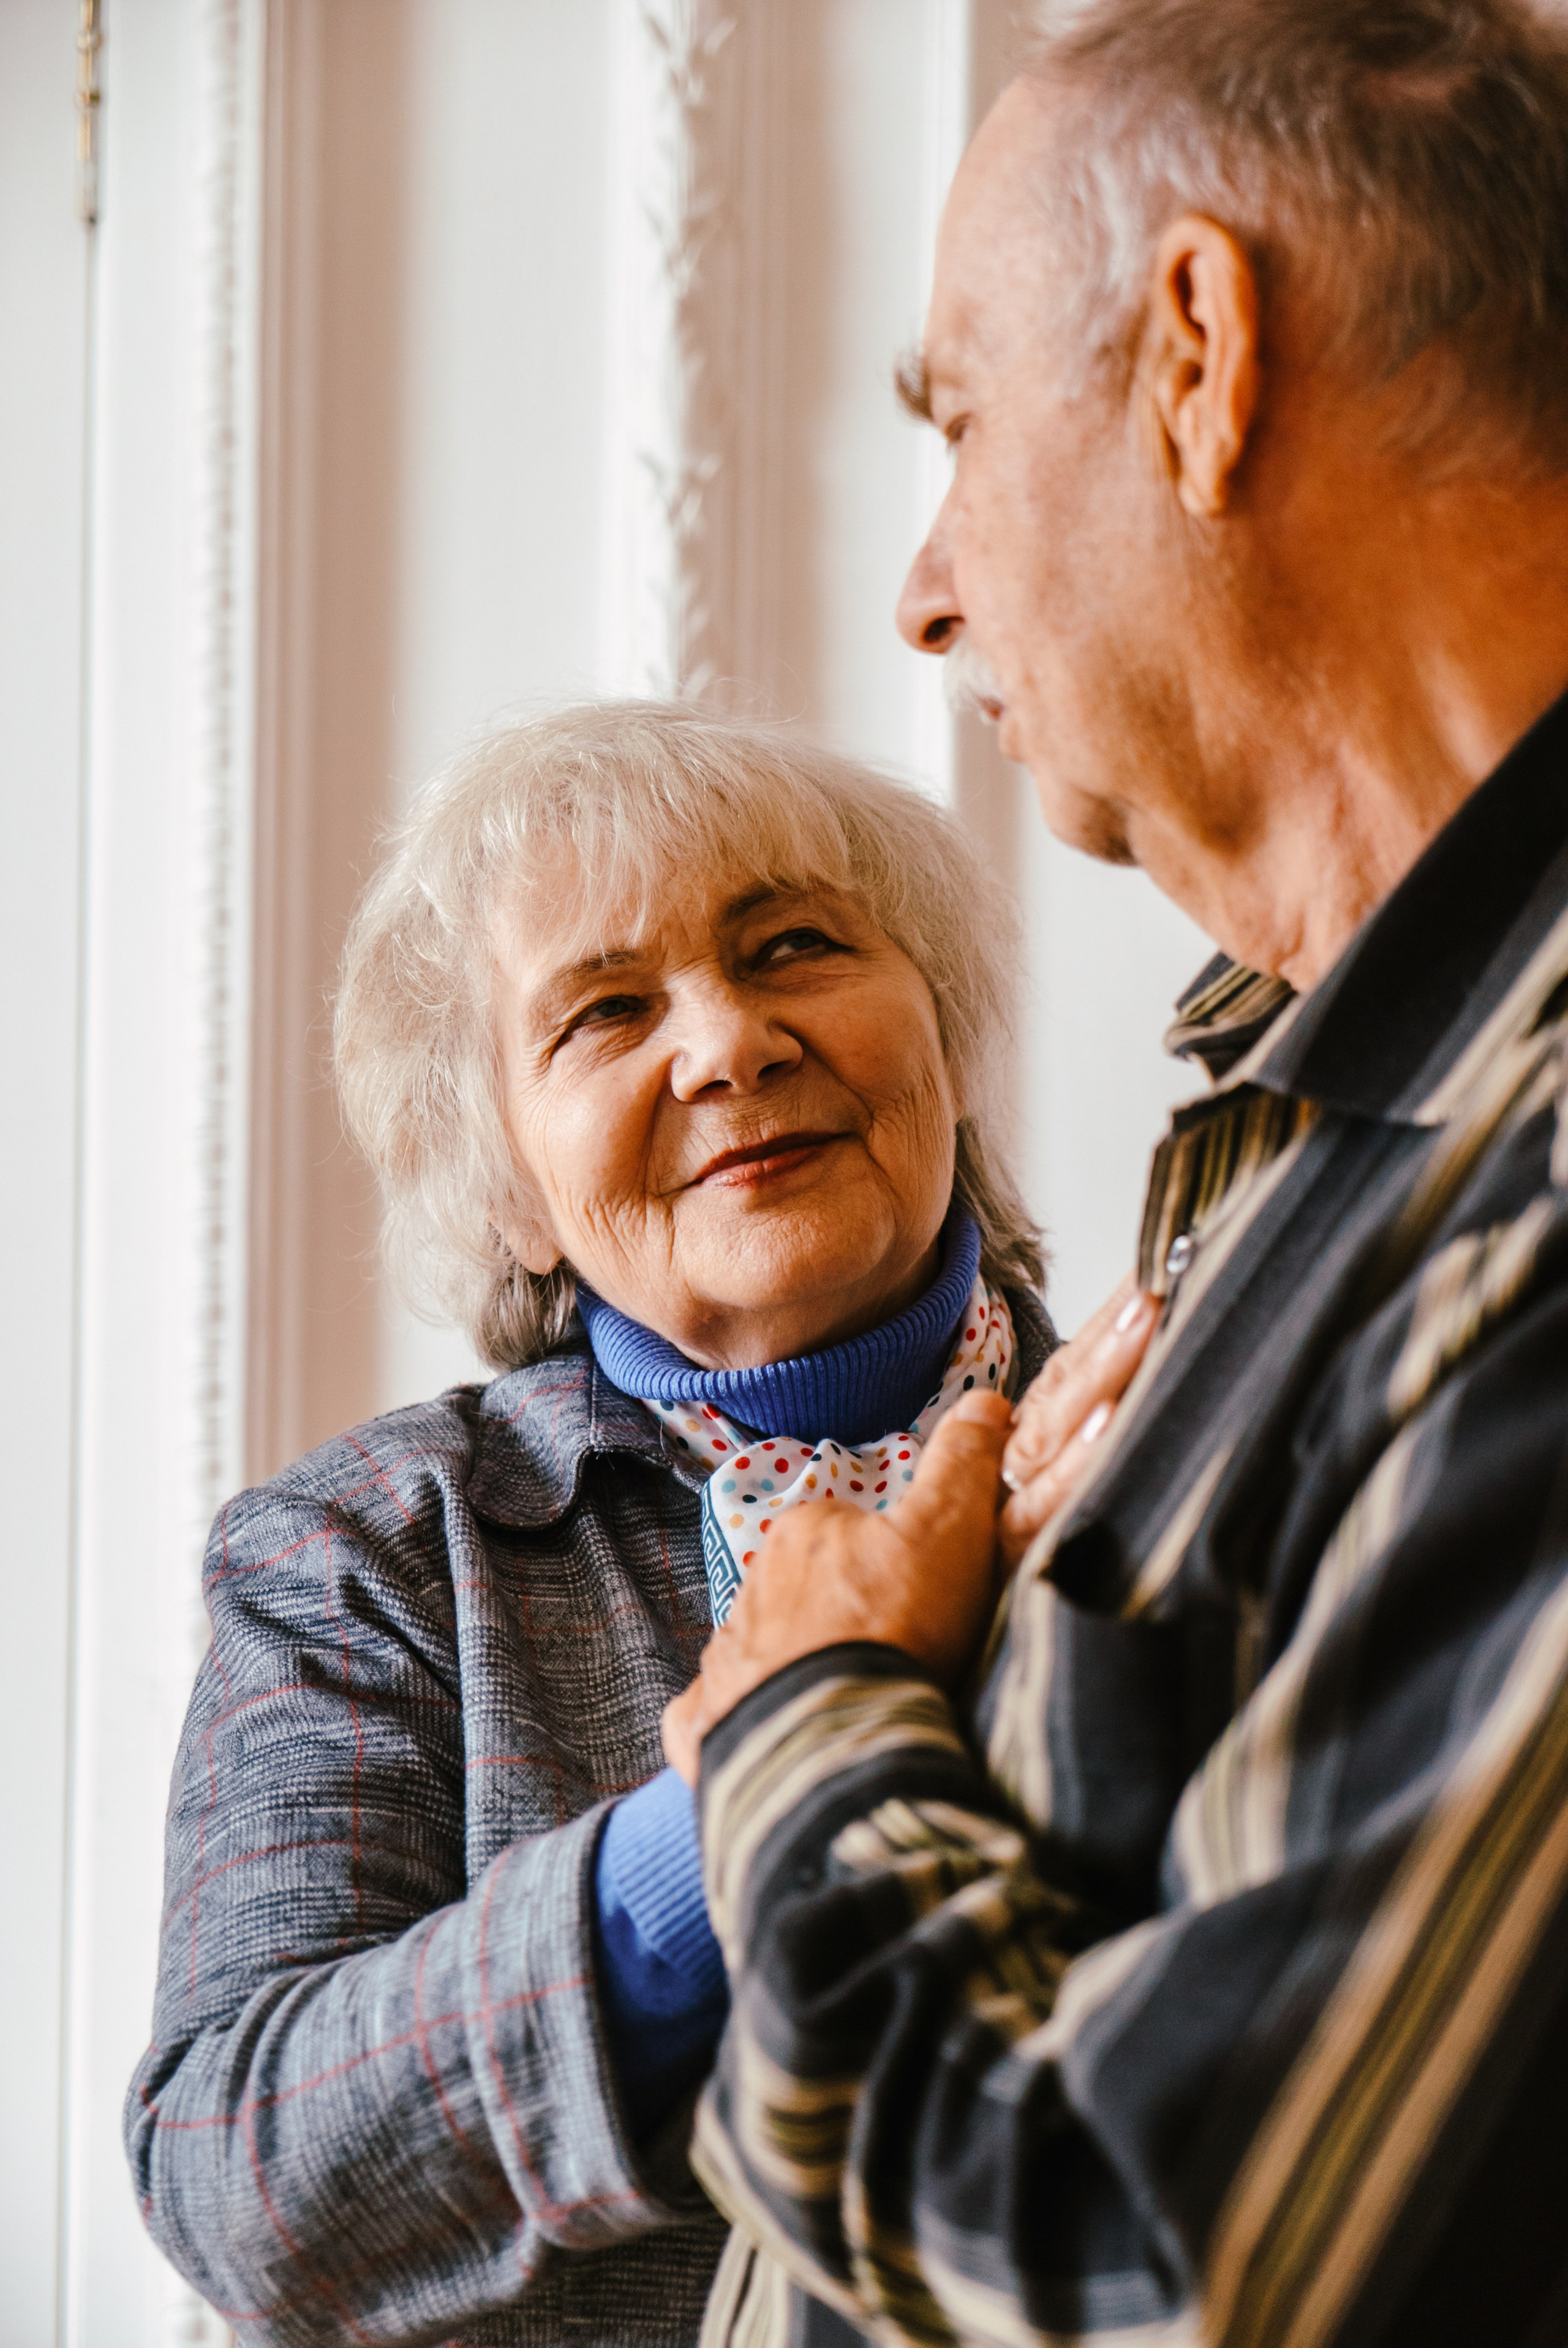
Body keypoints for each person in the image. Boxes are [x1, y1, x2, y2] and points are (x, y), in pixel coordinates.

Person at [663, 4, 1568, 2343]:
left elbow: (1169, 2269)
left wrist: (806, 1723)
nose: (925, 590)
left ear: (1196, 351)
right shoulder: (1314, 1130)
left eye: (957, 424)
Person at [124, 704, 1055, 2344]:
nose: (728, 1044)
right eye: (608, 1010)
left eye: (797, 945)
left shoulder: (1175, 1411)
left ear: (949, 1038)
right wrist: (737, 1810)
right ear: (504, 1186)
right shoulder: (371, 1550)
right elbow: (237, 2170)